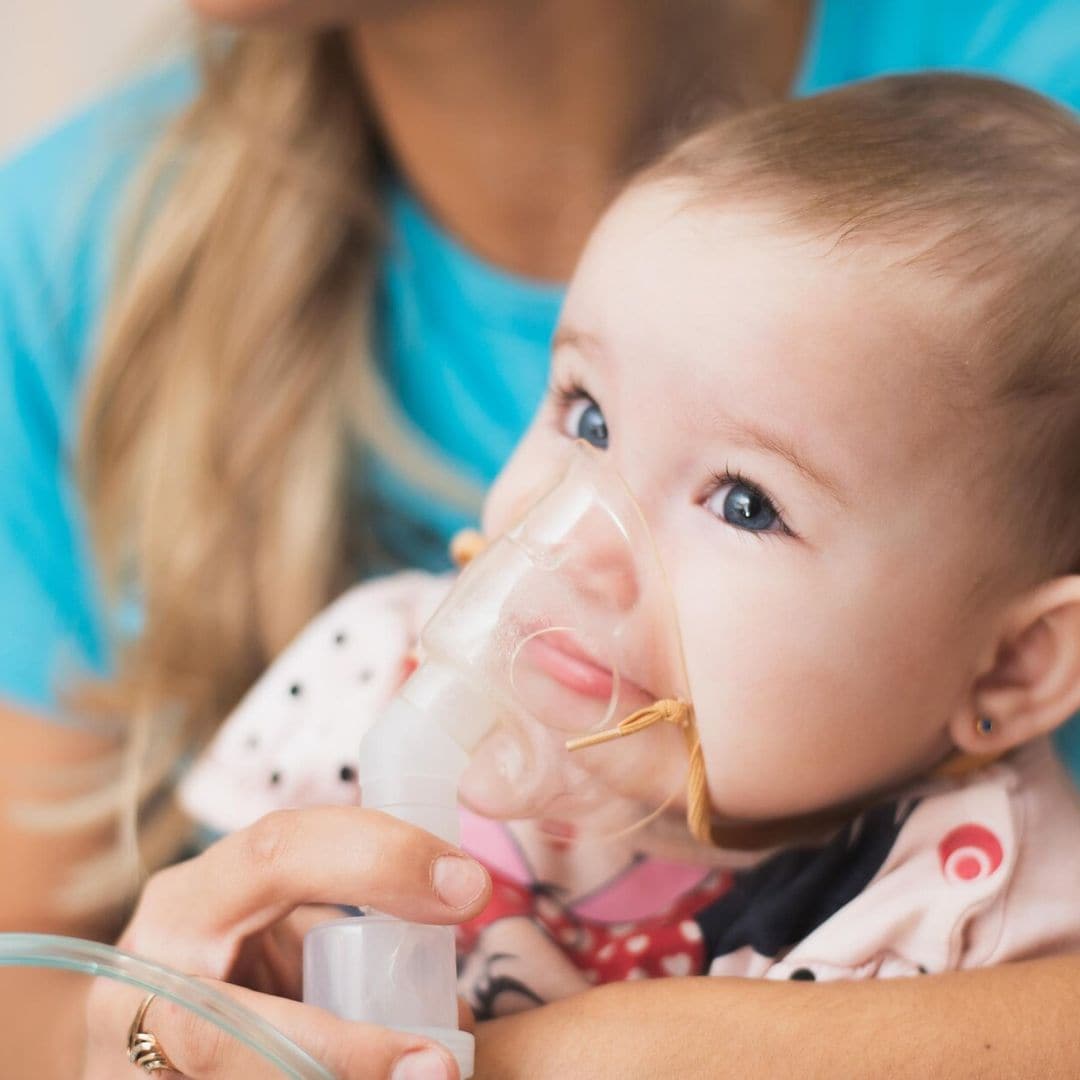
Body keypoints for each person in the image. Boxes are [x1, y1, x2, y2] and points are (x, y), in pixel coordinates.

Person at [1, 1, 1079, 1077]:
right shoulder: (364, 685)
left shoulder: (978, 899)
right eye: (586, 417)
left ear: (1017, 663)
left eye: (745, 502)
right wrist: (176, 1029)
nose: (579, 540)